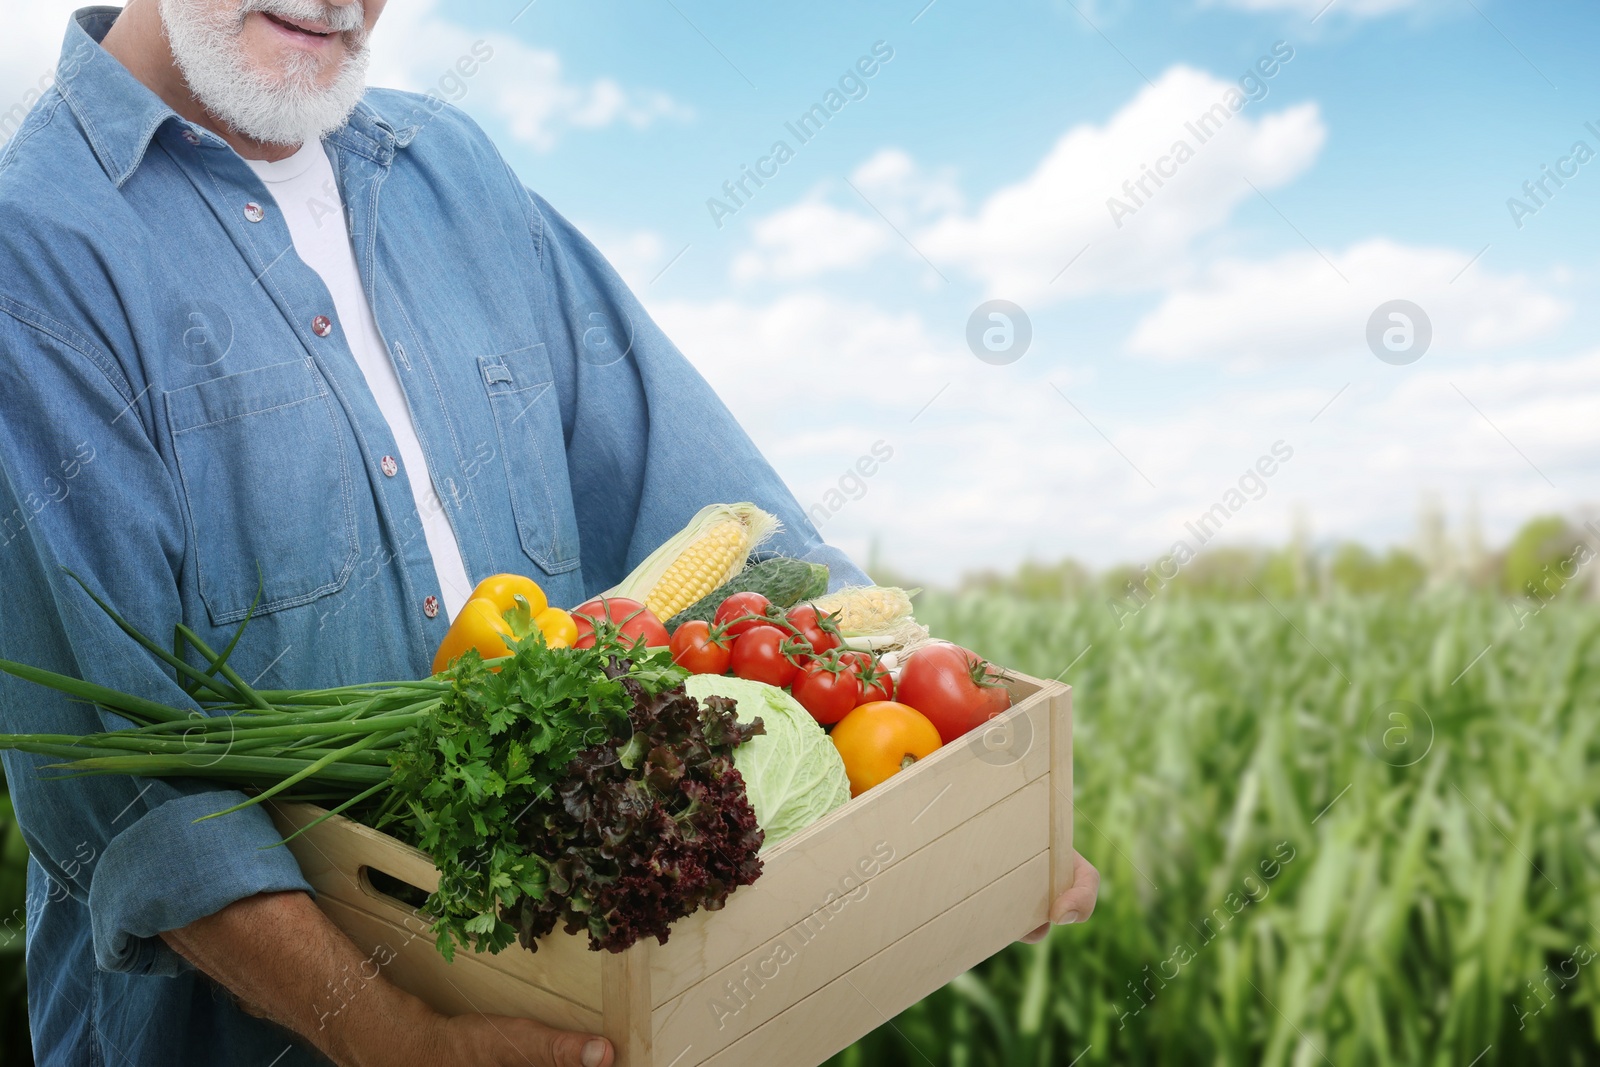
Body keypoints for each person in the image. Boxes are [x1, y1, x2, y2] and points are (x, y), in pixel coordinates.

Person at [0, 3, 1101, 1064]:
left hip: (560, 975)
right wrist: (391, 1037)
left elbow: (695, 489)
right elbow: (129, 796)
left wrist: (966, 799)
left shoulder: (452, 169)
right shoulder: (34, 244)